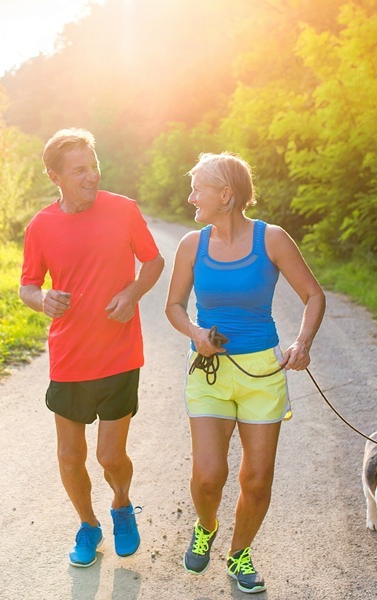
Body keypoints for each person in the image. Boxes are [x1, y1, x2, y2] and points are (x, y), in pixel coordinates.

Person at [164, 152, 325, 594]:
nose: (192, 196)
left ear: (226, 194)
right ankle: (206, 525)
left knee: (257, 478)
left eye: (199, 188)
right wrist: (195, 332)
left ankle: (239, 554)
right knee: (208, 476)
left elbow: (313, 295)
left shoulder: (271, 239)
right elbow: (173, 306)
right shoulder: (190, 245)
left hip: (263, 372)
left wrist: (302, 343)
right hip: (210, 370)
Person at [19, 128, 165, 568]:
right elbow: (27, 286)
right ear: (55, 176)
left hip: (120, 353)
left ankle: (122, 505)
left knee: (109, 455)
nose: (92, 177)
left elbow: (154, 261)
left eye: (94, 166)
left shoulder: (123, 210)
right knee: (69, 455)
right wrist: (42, 299)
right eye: (79, 170)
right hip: (69, 357)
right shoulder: (41, 226)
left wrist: (134, 292)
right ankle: (88, 524)